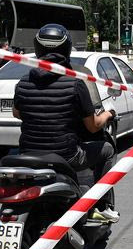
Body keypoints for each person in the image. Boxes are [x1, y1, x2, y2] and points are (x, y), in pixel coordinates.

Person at [13, 24, 119, 222]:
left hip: (27, 154)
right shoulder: (75, 83)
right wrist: (108, 114)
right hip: (66, 156)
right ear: (66, 49)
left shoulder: (23, 82)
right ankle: (102, 205)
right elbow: (93, 126)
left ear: (37, 48)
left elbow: (17, 113)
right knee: (107, 149)